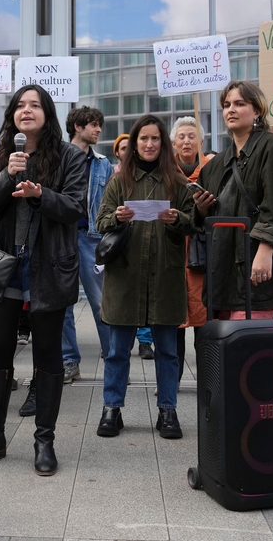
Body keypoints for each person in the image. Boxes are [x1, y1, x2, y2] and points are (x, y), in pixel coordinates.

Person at [0, 84, 86, 476]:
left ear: (47, 114)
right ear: (12, 114)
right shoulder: (1, 155)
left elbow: (75, 208)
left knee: (48, 355)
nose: (26, 110)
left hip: (49, 268)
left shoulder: (69, 156)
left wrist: (38, 193)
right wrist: (6, 177)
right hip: (5, 268)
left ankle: (43, 441)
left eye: (35, 105)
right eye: (20, 105)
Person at [95, 114, 192, 439]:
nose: (149, 144)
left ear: (163, 144)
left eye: (155, 139)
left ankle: (168, 410)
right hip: (125, 277)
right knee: (117, 350)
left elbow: (194, 223)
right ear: (134, 144)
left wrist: (178, 218)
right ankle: (112, 409)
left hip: (165, 277)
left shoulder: (177, 182)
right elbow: (101, 220)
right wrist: (117, 217)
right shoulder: (119, 180)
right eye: (143, 139)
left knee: (167, 350)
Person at [193, 81, 273, 320]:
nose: (230, 109)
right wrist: (200, 210)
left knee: (247, 347)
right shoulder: (214, 165)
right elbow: (200, 219)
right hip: (221, 270)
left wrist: (265, 250)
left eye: (239, 103)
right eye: (226, 105)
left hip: (256, 265)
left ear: (257, 111)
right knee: (223, 348)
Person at [60, 105, 113, 385]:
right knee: (63, 304)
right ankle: (69, 362)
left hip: (91, 239)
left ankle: (113, 360)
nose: (99, 130)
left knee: (101, 302)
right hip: (60, 238)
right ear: (77, 127)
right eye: (93, 124)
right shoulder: (56, 157)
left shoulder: (103, 163)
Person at [172, 116, 211, 381]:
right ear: (173, 142)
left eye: (192, 135)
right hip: (173, 254)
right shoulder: (165, 171)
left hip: (203, 256)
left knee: (204, 321)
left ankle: (209, 377)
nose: (187, 140)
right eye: (182, 136)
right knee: (172, 323)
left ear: (202, 141)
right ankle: (170, 379)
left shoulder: (213, 169)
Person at [113, 133, 154, 358]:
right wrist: (115, 217)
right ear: (117, 152)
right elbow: (103, 216)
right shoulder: (114, 179)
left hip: (145, 243)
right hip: (122, 245)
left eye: (130, 147)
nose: (126, 152)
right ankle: (119, 343)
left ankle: (145, 341)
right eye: (123, 148)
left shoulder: (149, 178)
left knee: (145, 295)